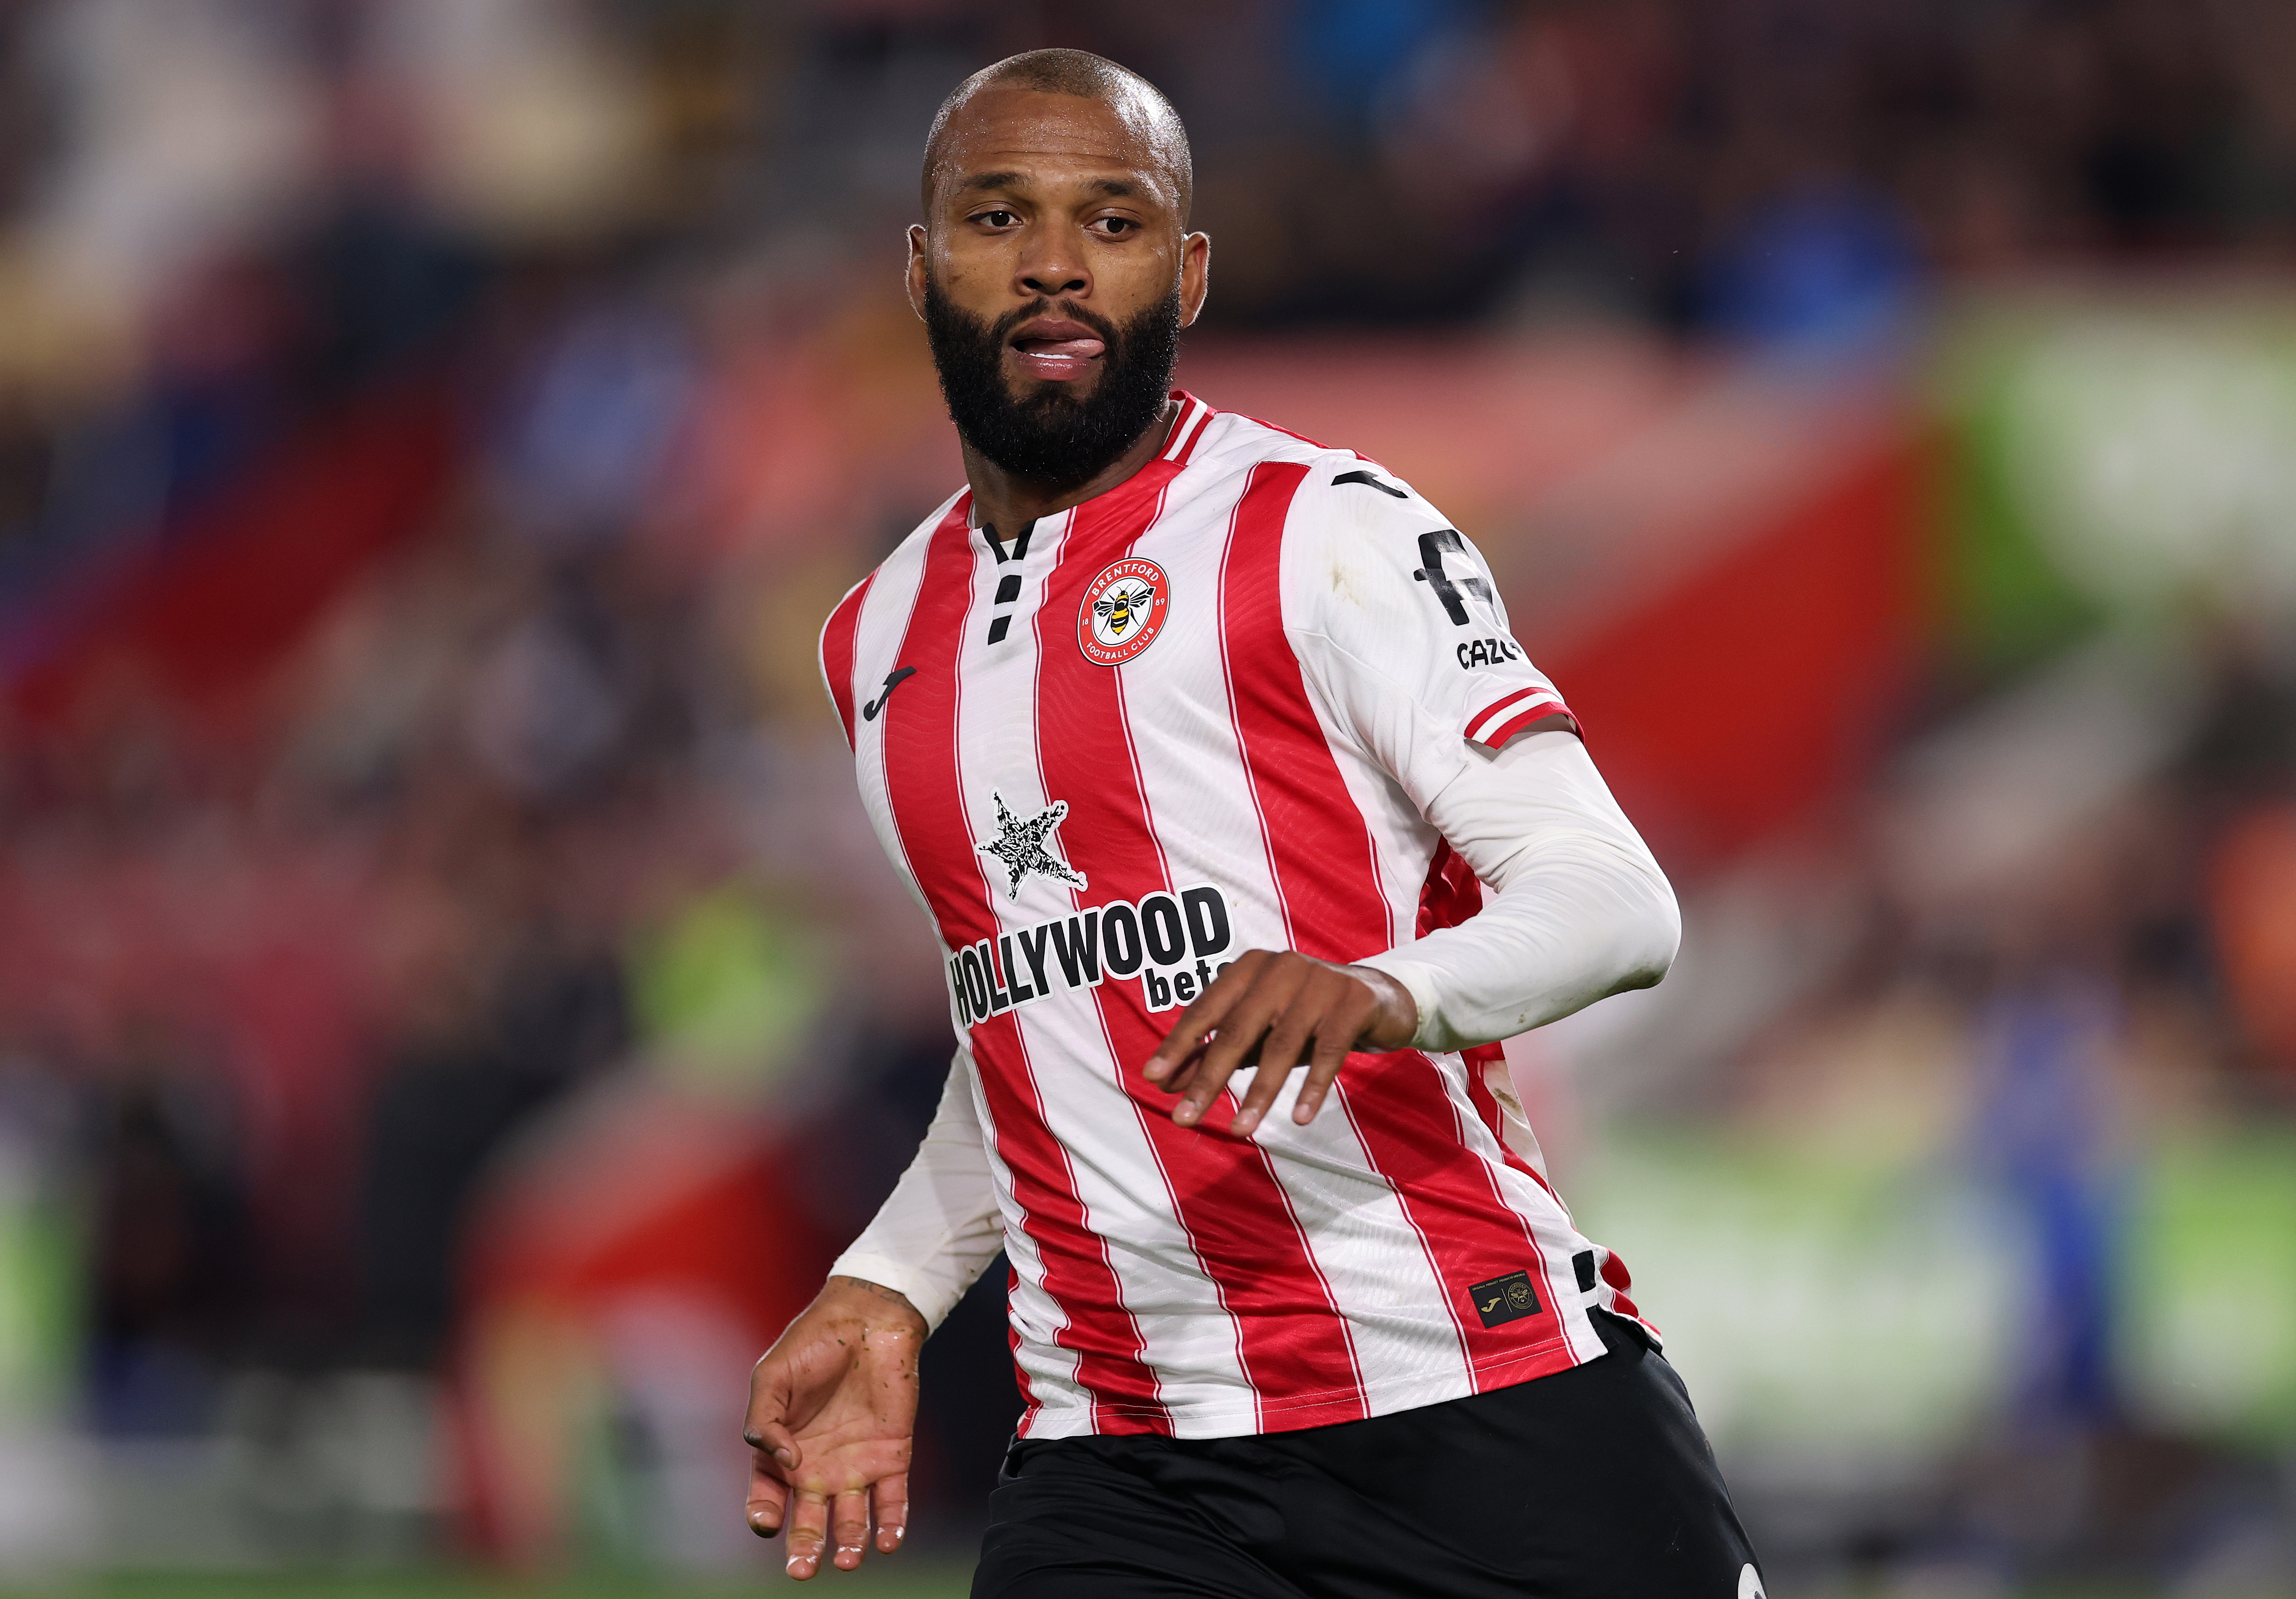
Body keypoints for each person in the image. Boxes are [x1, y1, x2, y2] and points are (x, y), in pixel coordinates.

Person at [746, 48, 1766, 1599]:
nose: (1051, 266)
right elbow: (1037, 1030)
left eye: (1113, 220)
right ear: (919, 263)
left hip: (1476, 1403)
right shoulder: (873, 640)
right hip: (1124, 1464)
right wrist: (887, 1281)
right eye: (997, 216)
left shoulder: (1326, 532)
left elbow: (1617, 899)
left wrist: (1382, 989)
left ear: (1190, 269)